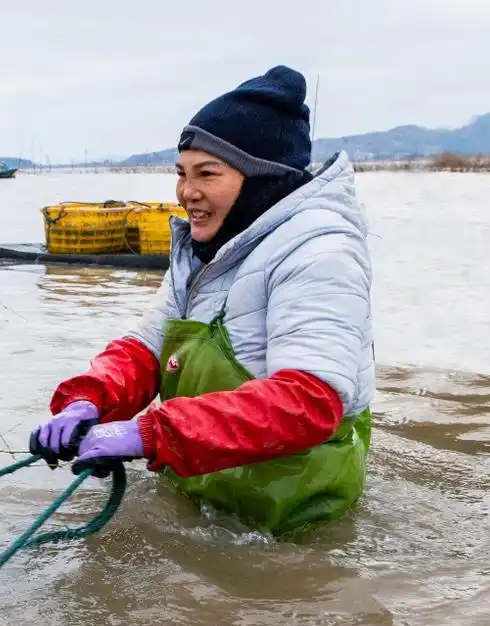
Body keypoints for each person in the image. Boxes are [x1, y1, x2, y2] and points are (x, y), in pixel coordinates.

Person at [32, 65, 374, 538]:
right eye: (181, 174)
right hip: (206, 489)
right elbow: (146, 349)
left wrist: (150, 433)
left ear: (262, 177)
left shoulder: (320, 252)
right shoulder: (203, 251)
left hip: (293, 517)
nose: (186, 193)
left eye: (207, 174)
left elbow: (309, 401)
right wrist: (90, 400)